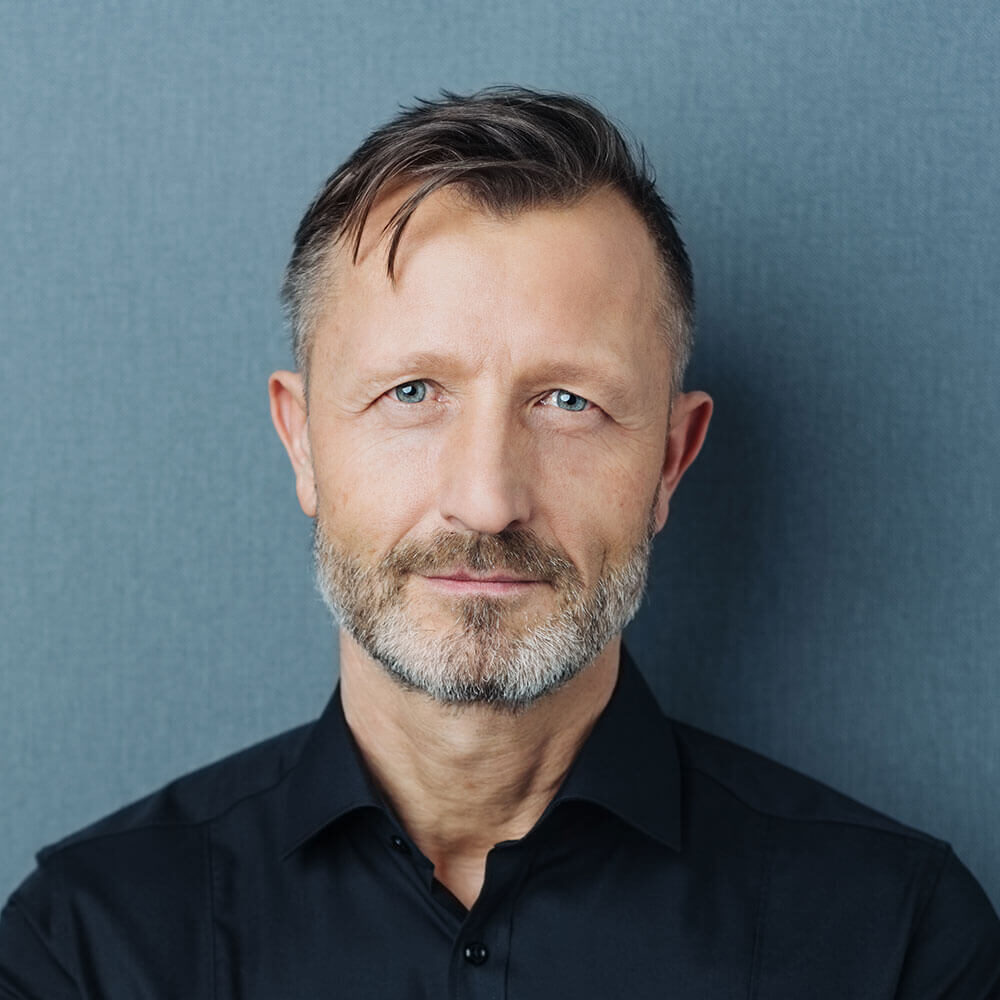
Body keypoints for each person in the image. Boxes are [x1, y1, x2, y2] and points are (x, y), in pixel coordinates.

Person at [1, 86, 997, 999]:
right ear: (302, 442)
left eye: (567, 401)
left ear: (669, 459)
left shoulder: (895, 944)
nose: (485, 502)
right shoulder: (84, 949)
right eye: (412, 392)